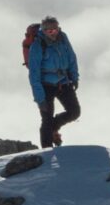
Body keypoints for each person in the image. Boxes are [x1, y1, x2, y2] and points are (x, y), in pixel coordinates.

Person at [27, 16, 80, 147]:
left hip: (64, 82)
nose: (54, 33)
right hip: (46, 86)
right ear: (43, 31)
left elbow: (72, 57)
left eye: (55, 29)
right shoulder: (37, 45)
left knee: (74, 112)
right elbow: (34, 74)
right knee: (46, 120)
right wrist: (40, 99)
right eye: (49, 31)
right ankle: (46, 152)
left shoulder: (63, 38)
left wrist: (74, 77)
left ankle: (54, 128)